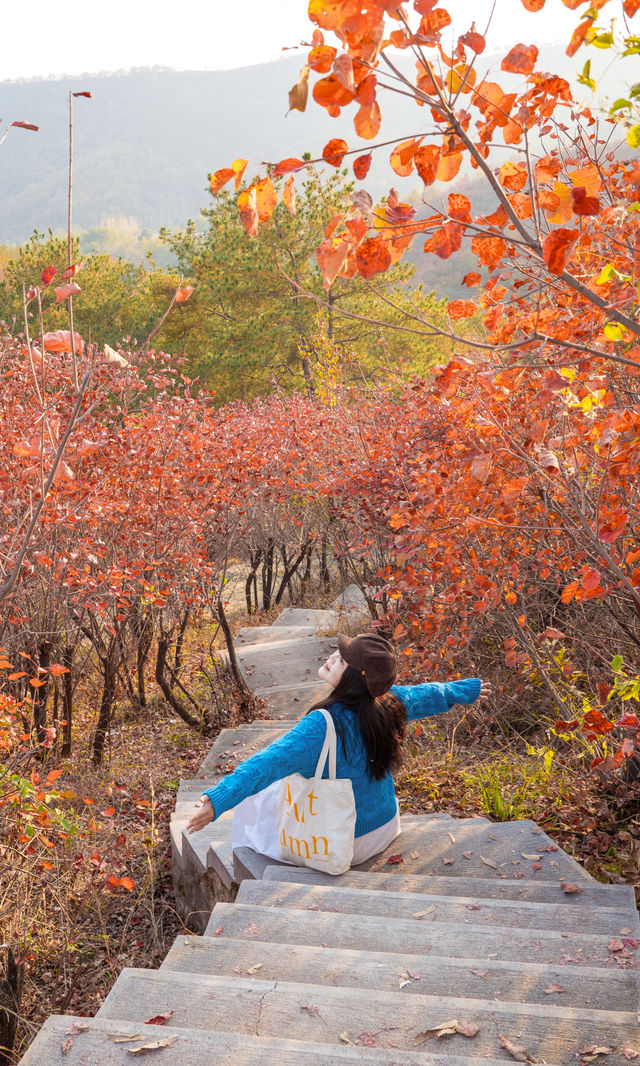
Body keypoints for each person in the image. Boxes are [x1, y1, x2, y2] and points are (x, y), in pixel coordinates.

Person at [186, 631, 491, 865]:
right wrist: (465, 690)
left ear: (356, 678)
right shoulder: (389, 701)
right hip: (385, 827)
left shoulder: (322, 725)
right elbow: (427, 695)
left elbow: (267, 763)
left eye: (343, 660)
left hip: (344, 843)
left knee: (264, 796)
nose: (332, 657)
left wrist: (218, 801)